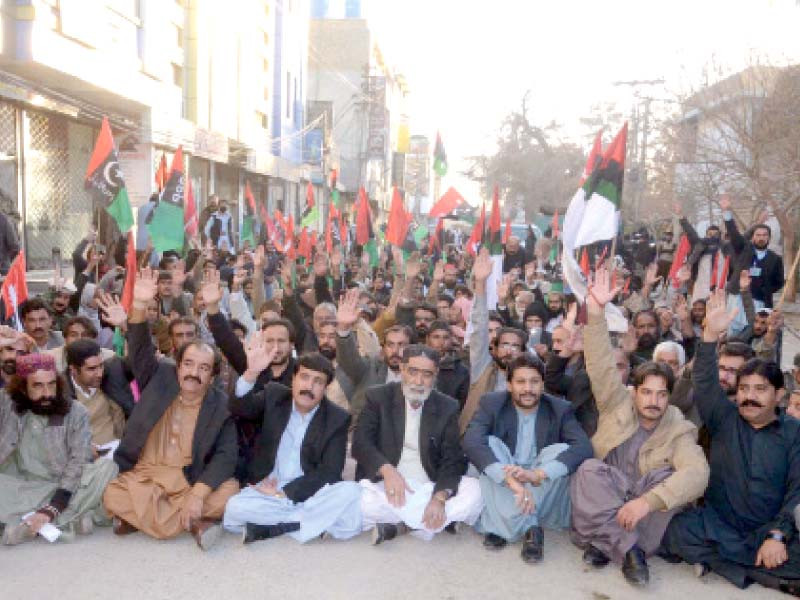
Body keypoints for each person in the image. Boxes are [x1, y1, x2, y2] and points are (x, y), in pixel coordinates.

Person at [570, 266, 709, 586]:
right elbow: (601, 362)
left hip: (644, 500)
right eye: (646, 392)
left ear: (669, 396)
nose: (653, 401)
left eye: (662, 394)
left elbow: (697, 474)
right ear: (635, 391)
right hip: (611, 491)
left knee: (668, 478)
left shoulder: (679, 426)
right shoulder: (616, 402)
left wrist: (647, 502)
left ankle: (604, 542)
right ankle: (630, 550)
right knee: (589, 471)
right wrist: (594, 311)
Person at [663, 289, 800, 594]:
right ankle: (766, 575)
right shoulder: (723, 417)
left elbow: (797, 490)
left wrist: (778, 534)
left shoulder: (793, 432)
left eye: (760, 389)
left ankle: (727, 565)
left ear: (779, 395)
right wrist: (710, 334)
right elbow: (705, 381)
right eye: (744, 388)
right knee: (674, 532)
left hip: (768, 528)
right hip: (718, 525)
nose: (749, 396)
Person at [103, 268, 239, 551]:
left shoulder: (219, 404)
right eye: (188, 364)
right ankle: (194, 522)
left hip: (188, 477)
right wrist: (139, 305)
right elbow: (139, 348)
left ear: (212, 376)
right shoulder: (160, 377)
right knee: (111, 493)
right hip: (147, 474)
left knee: (231, 491)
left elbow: (227, 456)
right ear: (178, 367)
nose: (194, 373)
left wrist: (199, 494)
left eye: (203, 368)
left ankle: (143, 519)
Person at [223, 342, 362, 544]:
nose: (309, 387)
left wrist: (285, 493)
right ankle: (309, 524)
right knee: (235, 508)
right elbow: (240, 409)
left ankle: (277, 527)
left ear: (326, 388)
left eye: (318, 382)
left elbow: (330, 471)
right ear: (293, 379)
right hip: (267, 488)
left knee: (351, 492)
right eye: (304, 378)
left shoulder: (337, 418)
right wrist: (251, 373)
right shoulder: (274, 396)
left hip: (308, 491)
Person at [462, 353, 592, 563]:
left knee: (560, 450)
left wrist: (537, 474)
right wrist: (512, 482)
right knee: (491, 446)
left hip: (538, 479)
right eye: (521, 382)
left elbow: (583, 447)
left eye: (534, 382)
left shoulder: (560, 408)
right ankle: (532, 528)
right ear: (510, 385)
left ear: (543, 384)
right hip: (507, 474)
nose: (528, 389)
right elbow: (472, 442)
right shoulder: (491, 403)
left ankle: (502, 525)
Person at [353, 344, 482, 544]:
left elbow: (453, 459)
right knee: (362, 501)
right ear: (402, 369)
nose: (419, 381)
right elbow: (361, 443)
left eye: (427, 374)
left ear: (435, 375)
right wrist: (386, 470)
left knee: (476, 491)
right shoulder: (378, 397)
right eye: (413, 372)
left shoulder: (447, 406)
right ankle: (434, 522)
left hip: (428, 484)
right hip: (387, 485)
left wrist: (439, 498)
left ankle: (404, 526)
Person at [0, 353, 117, 545]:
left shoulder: (74, 411)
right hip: (20, 484)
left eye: (51, 384)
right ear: (22, 388)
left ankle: (34, 521)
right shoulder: (8, 404)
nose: (47, 393)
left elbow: (79, 461)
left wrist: (53, 507)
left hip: (61, 483)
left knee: (107, 468)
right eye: (37, 385)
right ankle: (73, 518)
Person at [459, 249, 527, 433]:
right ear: (494, 348)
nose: (509, 351)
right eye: (504, 345)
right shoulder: (483, 368)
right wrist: (480, 284)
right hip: (478, 440)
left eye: (515, 346)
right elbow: (479, 327)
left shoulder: (529, 380)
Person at [721, 194, 784, 309]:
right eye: (758, 235)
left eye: (765, 235)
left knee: (757, 327)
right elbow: (734, 235)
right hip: (737, 298)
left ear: (769, 237)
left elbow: (778, 282)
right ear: (753, 237)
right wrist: (727, 212)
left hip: (760, 301)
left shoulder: (775, 258)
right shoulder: (744, 249)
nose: (761, 238)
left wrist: (764, 289)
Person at [65, 339, 126, 452]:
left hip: (120, 448)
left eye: (101, 366)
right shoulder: (61, 394)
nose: (99, 374)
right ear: (73, 369)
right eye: (91, 369)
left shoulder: (111, 376)